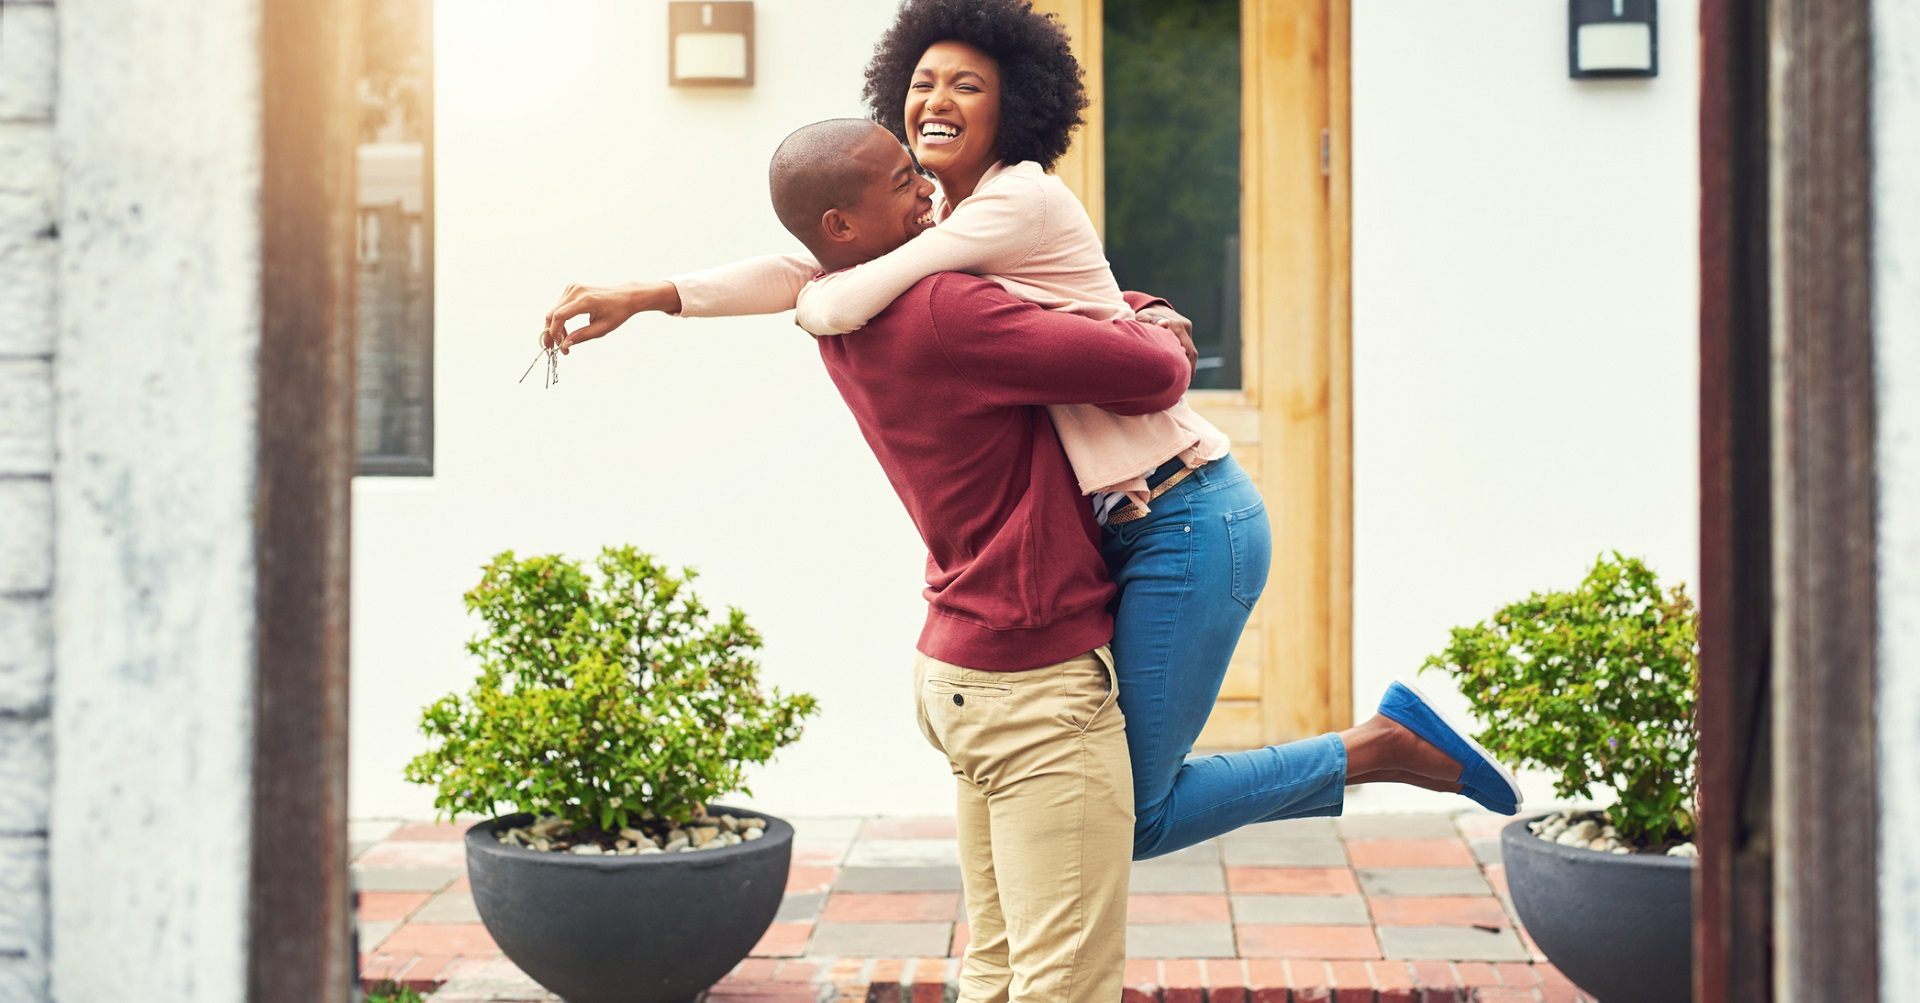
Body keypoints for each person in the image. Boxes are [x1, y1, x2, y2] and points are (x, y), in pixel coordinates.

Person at [543, 0, 1521, 866]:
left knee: (1126, 813)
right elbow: (806, 269)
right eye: (921, 81)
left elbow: (848, 289)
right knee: (1117, 808)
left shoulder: (1009, 198)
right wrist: (657, 293)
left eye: (968, 83)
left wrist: (822, 302)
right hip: (1128, 524)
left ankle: (1377, 747)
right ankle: (1378, 746)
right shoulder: (943, 219)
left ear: (1014, 106)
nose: (936, 98)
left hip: (1185, 515)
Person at [738, 118, 1515, 1003]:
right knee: (1081, 935)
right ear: (841, 227)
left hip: (974, 654)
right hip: (1046, 657)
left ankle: (1379, 750)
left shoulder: (842, 307)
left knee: (1003, 954)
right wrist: (1152, 317)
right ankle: (1375, 749)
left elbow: (800, 283)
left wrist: (648, 294)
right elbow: (1150, 374)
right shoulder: (947, 306)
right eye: (900, 179)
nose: (925, 186)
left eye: (921, 166)